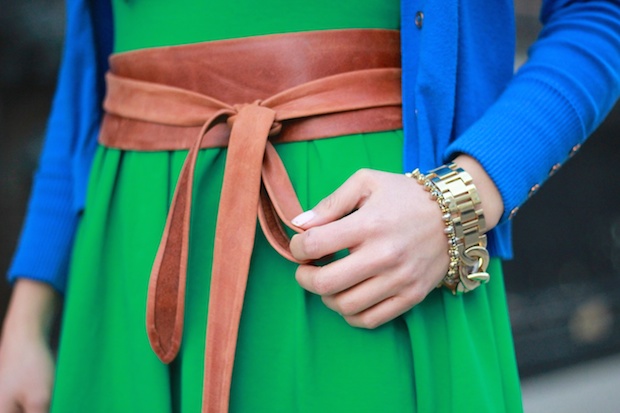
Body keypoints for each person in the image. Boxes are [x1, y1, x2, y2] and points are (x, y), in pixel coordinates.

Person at [0, 0, 618, 412]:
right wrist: (27, 314)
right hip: (130, 274)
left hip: (363, 258)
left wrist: (457, 199)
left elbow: (599, 13)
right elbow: (92, 75)